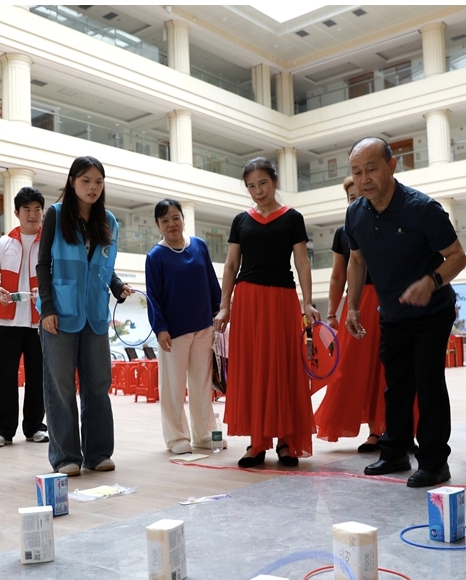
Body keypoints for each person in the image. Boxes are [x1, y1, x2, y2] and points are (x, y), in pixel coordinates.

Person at [345, 138, 466, 487]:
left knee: (427, 383)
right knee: (395, 386)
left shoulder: (422, 209)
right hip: (393, 314)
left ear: (392, 166)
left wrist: (431, 281)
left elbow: (457, 256)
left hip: (432, 311)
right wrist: (352, 306)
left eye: (371, 168)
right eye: (357, 172)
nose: (364, 178)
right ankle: (395, 452)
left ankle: (433, 462)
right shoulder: (356, 212)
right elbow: (356, 260)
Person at [214, 157, 319, 467]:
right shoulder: (240, 220)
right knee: (252, 368)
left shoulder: (292, 218)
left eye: (263, 183)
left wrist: (308, 302)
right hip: (247, 300)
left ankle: (286, 440)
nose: (257, 190)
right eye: (251, 185)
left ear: (274, 182)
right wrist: (224, 307)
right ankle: (257, 442)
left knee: (283, 366)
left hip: (283, 299)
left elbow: (302, 262)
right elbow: (232, 265)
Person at [36, 156, 132, 476]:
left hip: (95, 315)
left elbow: (104, 266)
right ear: (72, 182)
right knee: (61, 387)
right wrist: (47, 308)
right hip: (59, 315)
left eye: (98, 182)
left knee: (98, 385)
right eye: (86, 180)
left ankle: (98, 452)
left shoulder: (110, 222)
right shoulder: (56, 214)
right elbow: (43, 265)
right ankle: (66, 457)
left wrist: (117, 285)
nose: (92, 187)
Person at [145, 199, 222, 455]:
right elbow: (153, 296)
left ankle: (204, 434)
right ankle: (177, 437)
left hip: (203, 327)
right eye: (165, 220)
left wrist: (219, 311)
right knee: (173, 387)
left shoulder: (199, 246)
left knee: (201, 384)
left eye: (175, 217)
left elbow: (211, 281)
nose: (171, 224)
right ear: (158, 225)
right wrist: (160, 328)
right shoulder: (155, 256)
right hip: (173, 332)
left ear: (183, 219)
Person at [315, 177, 385, 451]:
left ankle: (395, 428)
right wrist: (332, 312)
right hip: (359, 303)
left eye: (360, 196)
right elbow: (337, 276)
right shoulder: (343, 232)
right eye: (351, 198)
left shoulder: (387, 223)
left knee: (390, 369)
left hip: (391, 299)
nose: (356, 201)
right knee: (357, 370)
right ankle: (375, 431)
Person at [0, 186, 49, 448]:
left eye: (37, 210)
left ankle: (35, 427)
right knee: (5, 377)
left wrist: (44, 289)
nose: (32, 215)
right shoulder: (4, 242)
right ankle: (1, 430)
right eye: (27, 210)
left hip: (39, 321)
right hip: (7, 322)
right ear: (17, 213)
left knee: (37, 377)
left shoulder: (49, 243)